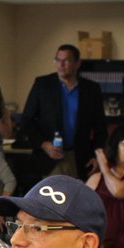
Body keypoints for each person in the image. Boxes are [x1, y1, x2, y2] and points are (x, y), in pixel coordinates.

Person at [21, 43, 107, 178]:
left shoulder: (91, 89)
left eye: (66, 60)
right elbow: (26, 120)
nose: (60, 65)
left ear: (77, 63)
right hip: (49, 156)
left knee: (78, 197)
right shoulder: (42, 85)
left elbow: (100, 127)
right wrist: (43, 144)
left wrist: (98, 155)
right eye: (57, 60)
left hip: (80, 157)